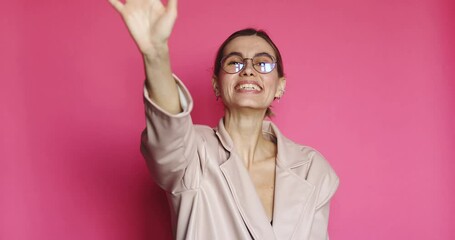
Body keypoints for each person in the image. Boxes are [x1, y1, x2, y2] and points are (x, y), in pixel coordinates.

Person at [109, 0, 339, 239]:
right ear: (217, 85)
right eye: (234, 62)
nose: (248, 70)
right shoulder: (193, 153)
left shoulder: (312, 168)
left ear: (280, 86)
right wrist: (156, 54)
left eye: (262, 63)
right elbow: (168, 140)